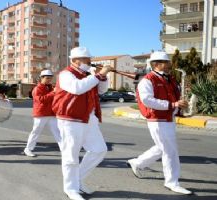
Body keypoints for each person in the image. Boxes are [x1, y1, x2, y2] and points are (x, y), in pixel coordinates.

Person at [127, 51, 192, 195]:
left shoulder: (170, 79)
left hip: (169, 118)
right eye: (166, 62)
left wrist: (180, 106)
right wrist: (173, 105)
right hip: (157, 120)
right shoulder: (147, 80)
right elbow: (147, 100)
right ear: (156, 64)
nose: (169, 65)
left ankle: (137, 163)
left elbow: (174, 99)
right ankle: (172, 182)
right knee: (170, 151)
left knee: (162, 147)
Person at [52, 47, 111, 200]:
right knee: (70, 155)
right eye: (86, 60)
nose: (89, 62)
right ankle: (70, 188)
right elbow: (77, 88)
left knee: (99, 150)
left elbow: (102, 91)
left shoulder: (88, 75)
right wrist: (98, 75)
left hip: (88, 117)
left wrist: (103, 77)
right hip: (69, 118)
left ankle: (77, 180)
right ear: (75, 60)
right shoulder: (66, 74)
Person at [23, 69, 61, 157]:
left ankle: (65, 151)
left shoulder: (50, 87)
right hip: (41, 114)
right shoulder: (37, 88)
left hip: (51, 114)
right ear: (41, 78)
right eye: (47, 78)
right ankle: (28, 149)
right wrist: (53, 93)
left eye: (50, 78)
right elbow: (40, 100)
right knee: (36, 132)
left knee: (58, 133)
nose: (49, 80)